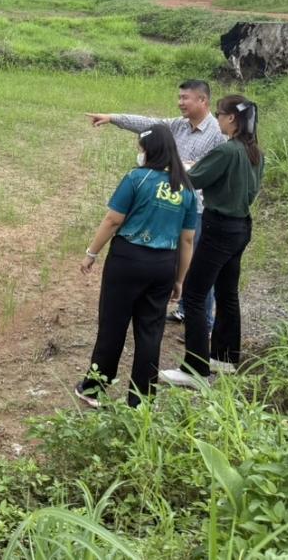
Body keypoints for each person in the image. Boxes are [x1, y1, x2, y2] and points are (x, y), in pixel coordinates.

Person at [74, 124, 198, 408]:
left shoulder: (136, 179)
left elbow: (113, 220)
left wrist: (91, 253)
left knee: (113, 324)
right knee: (151, 331)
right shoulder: (186, 189)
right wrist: (179, 279)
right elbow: (188, 239)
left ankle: (94, 388)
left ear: (150, 150)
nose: (139, 154)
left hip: (127, 260)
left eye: (140, 149)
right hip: (163, 265)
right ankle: (142, 399)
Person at [87, 79, 224, 325]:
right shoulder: (179, 126)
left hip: (196, 208)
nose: (180, 102)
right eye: (179, 97)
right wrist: (112, 118)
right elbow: (149, 124)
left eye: (185, 98)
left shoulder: (217, 134)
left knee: (196, 267)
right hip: (168, 200)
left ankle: (203, 323)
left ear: (203, 101)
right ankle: (182, 308)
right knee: (173, 258)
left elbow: (212, 170)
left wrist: (178, 165)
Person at [161, 95, 264, 388]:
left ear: (232, 118)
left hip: (219, 227)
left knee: (193, 294)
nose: (216, 119)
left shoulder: (228, 150)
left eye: (219, 114)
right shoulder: (255, 152)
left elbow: (192, 179)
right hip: (241, 227)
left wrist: (167, 163)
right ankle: (225, 357)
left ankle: (195, 369)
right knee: (227, 291)